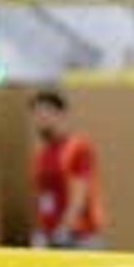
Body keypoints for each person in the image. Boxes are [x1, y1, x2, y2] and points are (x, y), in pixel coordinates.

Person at [27, 87, 105, 249]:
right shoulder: (42, 153)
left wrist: (65, 228)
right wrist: (41, 229)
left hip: (78, 235)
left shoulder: (77, 148)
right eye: (36, 114)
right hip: (48, 233)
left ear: (59, 114)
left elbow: (80, 193)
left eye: (45, 113)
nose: (40, 119)